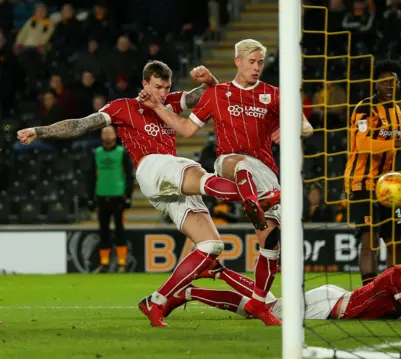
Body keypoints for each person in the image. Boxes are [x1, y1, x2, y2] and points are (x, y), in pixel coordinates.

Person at [16, 61, 279, 327]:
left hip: (170, 183)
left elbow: (212, 94)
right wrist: (39, 131)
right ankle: (260, 196)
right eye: (157, 87)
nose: (163, 94)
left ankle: (157, 301)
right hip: (152, 167)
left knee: (211, 246)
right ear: (145, 85)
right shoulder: (123, 107)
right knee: (202, 177)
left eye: (166, 87)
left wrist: (209, 80)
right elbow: (81, 125)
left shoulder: (174, 102)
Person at [137, 39, 314, 326]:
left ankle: (257, 302)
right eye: (251, 61)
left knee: (271, 243)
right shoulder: (217, 93)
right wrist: (158, 108)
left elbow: (307, 126)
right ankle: (255, 202)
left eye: (260, 62)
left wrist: (294, 128)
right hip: (230, 162)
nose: (256, 67)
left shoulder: (274, 95)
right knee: (238, 163)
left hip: (265, 171)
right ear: (237, 61)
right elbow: (185, 128)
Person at [163, 241, 401, 322]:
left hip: (336, 297)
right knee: (259, 308)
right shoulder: (396, 275)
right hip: (329, 305)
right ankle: (191, 291)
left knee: (267, 303)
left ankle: (218, 272)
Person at [343, 60, 401, 286]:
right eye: (384, 82)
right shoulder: (364, 109)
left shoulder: (400, 110)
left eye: (393, 82)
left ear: (399, 84)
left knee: (395, 238)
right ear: (376, 84)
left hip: (388, 186)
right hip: (361, 182)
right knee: (370, 239)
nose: (389, 86)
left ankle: (395, 288)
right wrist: (400, 143)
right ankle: (368, 291)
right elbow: (364, 144)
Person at [88, 125, 134, 274]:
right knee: (103, 231)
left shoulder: (122, 153)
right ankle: (105, 264)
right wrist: (90, 197)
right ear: (101, 136)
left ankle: (122, 264)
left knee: (120, 230)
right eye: (105, 133)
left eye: (110, 133)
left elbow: (129, 176)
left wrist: (128, 196)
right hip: (101, 196)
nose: (107, 136)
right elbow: (90, 176)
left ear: (115, 135)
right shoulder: (96, 153)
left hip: (118, 197)